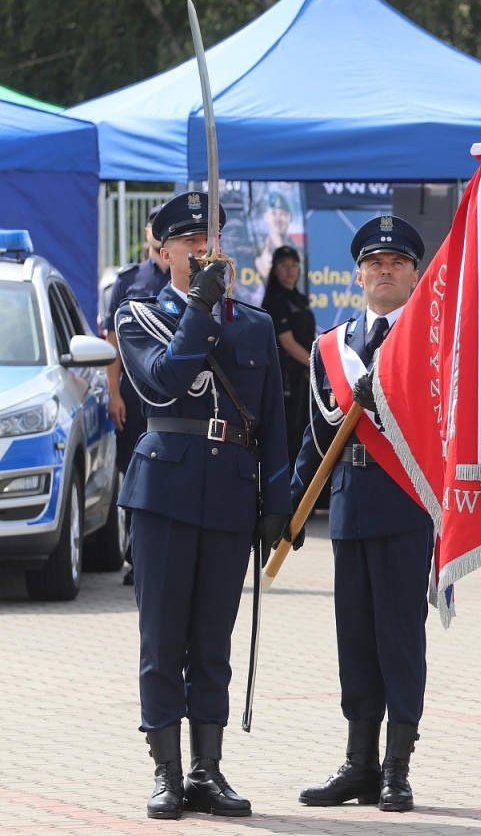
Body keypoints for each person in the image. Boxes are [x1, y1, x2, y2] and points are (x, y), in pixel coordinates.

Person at [114, 192, 291, 819]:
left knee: (213, 641)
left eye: (209, 239)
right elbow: (163, 382)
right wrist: (199, 307)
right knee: (164, 638)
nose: (201, 249)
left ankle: (207, 770)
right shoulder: (139, 315)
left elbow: (274, 422)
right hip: (165, 491)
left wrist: (278, 499)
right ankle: (165, 772)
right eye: (188, 241)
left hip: (232, 493)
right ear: (162, 252)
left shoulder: (256, 324)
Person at [291, 216, 434, 813]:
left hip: (406, 505)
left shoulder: (432, 342)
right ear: (358, 275)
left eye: (397, 262)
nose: (385, 271)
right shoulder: (333, 346)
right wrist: (291, 505)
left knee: (399, 640)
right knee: (355, 640)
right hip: (350, 507)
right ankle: (359, 764)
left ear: (415, 275)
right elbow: (318, 433)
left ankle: (397, 767)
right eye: (375, 263)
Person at [103, 203, 170, 586]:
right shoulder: (128, 281)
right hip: (133, 397)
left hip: (173, 395)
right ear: (147, 232)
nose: (159, 231)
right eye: (154, 225)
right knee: (134, 476)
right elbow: (111, 343)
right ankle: (136, 558)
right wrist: (113, 392)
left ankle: (167, 558)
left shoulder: (189, 278)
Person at [261, 245, 315, 464]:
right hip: (286, 378)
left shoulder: (300, 299)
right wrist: (315, 366)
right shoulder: (275, 301)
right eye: (284, 266)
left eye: (294, 265)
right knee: (289, 435)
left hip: (304, 377)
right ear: (275, 270)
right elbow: (289, 344)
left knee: (304, 432)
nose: (290, 270)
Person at [254, 191, 297, 277]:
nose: (278, 219)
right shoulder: (256, 249)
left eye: (283, 214)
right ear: (266, 216)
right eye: (274, 213)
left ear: (291, 218)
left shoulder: (299, 251)